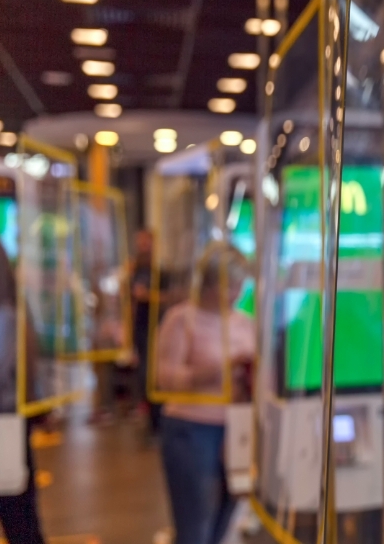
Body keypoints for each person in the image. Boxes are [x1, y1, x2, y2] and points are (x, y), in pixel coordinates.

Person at [157, 243, 255, 544]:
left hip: (235, 428)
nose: (237, 293)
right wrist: (218, 371)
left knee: (227, 512)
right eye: (231, 286)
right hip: (191, 428)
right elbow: (165, 378)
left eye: (240, 285)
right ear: (210, 285)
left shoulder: (243, 322)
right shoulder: (181, 319)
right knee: (194, 521)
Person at [0, 243, 46, 544]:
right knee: (20, 515)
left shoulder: (7, 316)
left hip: (4, 424)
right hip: (9, 422)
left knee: (18, 514)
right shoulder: (15, 310)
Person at [130, 229, 162, 435]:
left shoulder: (159, 271)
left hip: (157, 327)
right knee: (145, 373)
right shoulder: (135, 270)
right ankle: (150, 416)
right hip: (141, 328)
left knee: (153, 372)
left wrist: (151, 296)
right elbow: (135, 298)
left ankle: (155, 418)